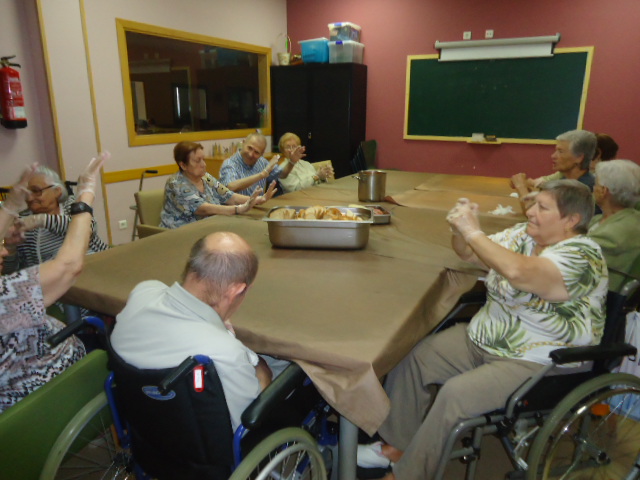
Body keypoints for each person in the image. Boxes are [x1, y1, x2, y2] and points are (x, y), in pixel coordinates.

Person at [357, 180, 607, 480]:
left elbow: (519, 272)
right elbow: (470, 254)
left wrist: (473, 232)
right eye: (533, 204)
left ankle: (408, 475)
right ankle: (398, 446)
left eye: (542, 207)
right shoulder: (524, 235)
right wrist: (460, 231)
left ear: (571, 220)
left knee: (455, 395)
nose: (530, 211)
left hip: (538, 359)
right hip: (484, 339)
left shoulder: (582, 255)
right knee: (413, 358)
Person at [111, 231, 288, 431]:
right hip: (211, 441)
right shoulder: (227, 352)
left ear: (192, 267)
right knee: (284, 367)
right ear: (236, 291)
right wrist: (261, 369)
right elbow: (246, 424)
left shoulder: (142, 293)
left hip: (145, 427)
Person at [0, 153, 109, 412]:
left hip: (84, 288)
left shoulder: (67, 211)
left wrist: (21, 211)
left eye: (37, 191)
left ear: (58, 191)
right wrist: (12, 249)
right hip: (46, 381)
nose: (32, 198)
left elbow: (83, 228)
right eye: (29, 193)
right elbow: (56, 269)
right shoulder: (25, 224)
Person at [2, 166, 108, 274]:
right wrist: (10, 248)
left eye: (36, 191)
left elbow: (88, 228)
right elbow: (11, 273)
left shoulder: (72, 206)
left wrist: (41, 220)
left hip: (94, 267)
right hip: (53, 280)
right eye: (26, 193)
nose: (29, 198)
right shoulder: (20, 221)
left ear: (57, 191)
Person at [160, 141, 277, 229]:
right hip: (181, 233)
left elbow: (230, 196)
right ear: (183, 165)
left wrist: (257, 199)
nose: (203, 164)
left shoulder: (206, 177)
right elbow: (204, 209)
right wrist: (239, 209)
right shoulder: (176, 184)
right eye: (197, 161)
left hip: (209, 227)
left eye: (203, 159)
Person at [511, 129, 598, 213]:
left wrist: (521, 187)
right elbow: (535, 208)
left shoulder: (584, 189)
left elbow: (538, 215)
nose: (553, 156)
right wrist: (526, 190)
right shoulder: (563, 181)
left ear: (579, 157)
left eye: (560, 151)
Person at [588, 159, 640, 292]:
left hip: (596, 294)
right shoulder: (601, 219)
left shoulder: (617, 232)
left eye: (596, 184)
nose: (593, 189)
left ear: (603, 191)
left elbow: (573, 256)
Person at [219, 132, 301, 196]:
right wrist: (261, 175)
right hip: (236, 210)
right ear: (243, 143)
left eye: (256, 152)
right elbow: (230, 187)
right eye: (249, 148)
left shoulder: (261, 161)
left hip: (258, 207)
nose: (251, 154)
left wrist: (292, 162)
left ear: (262, 154)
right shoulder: (229, 163)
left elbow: (282, 174)